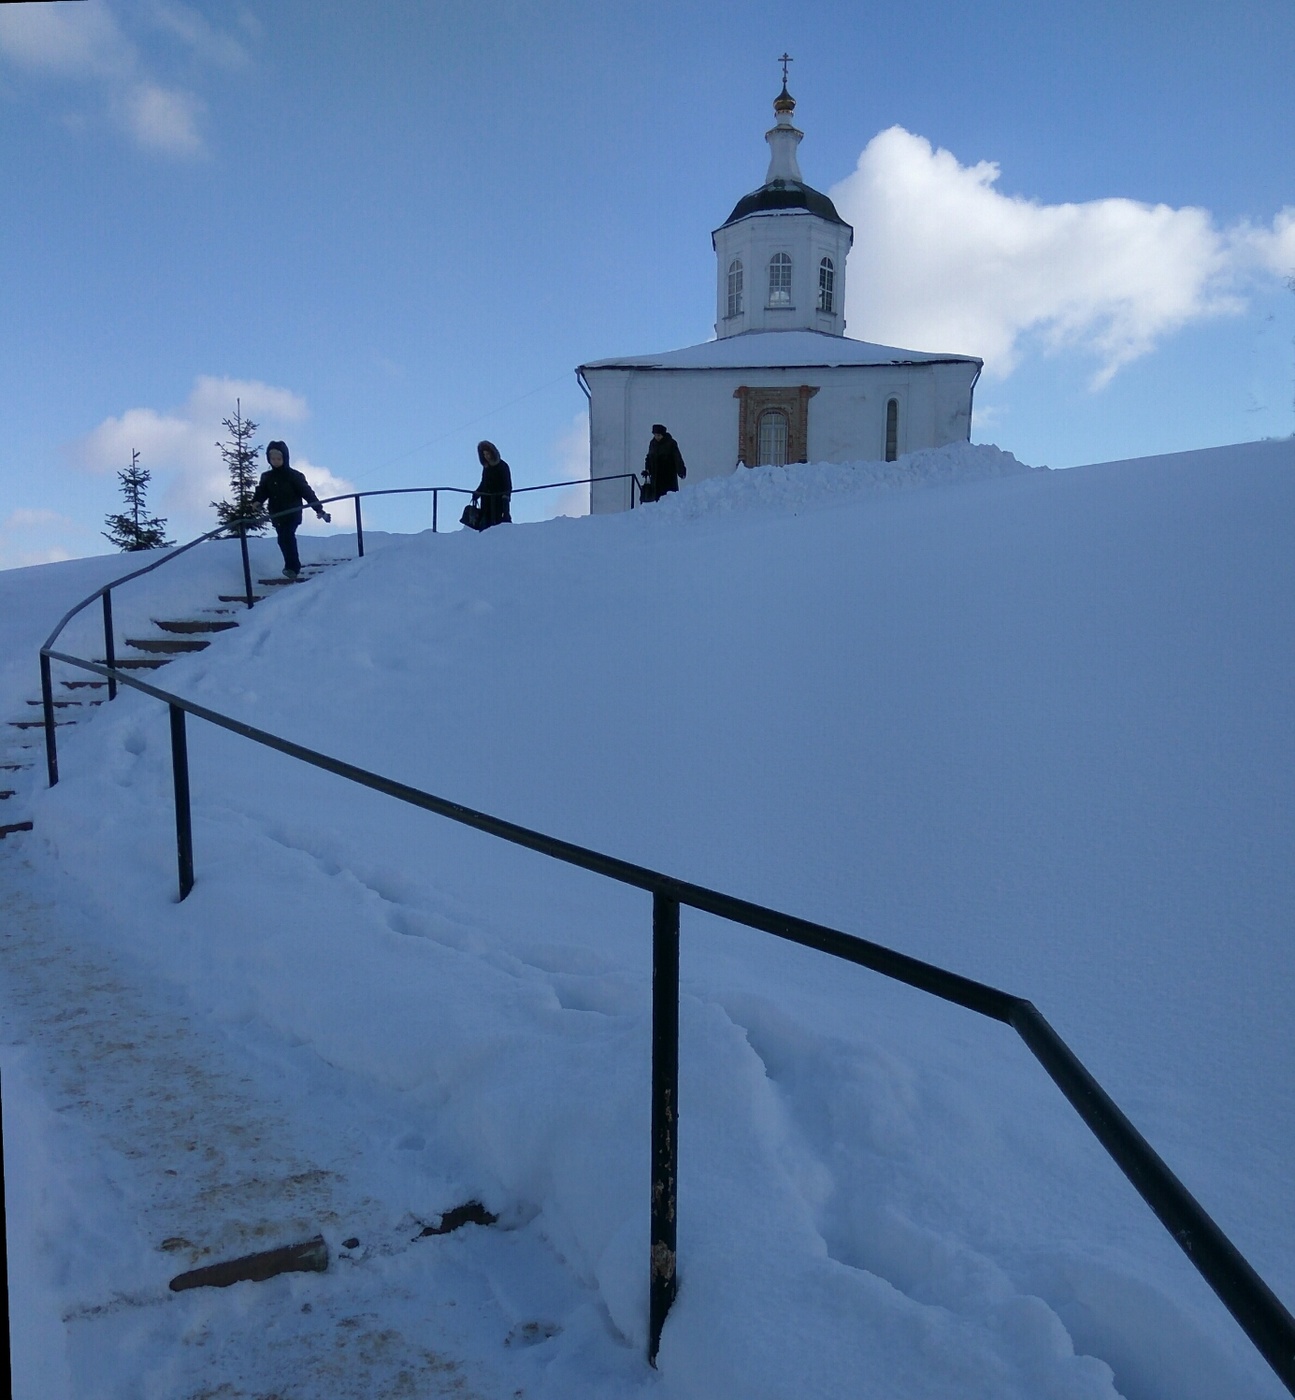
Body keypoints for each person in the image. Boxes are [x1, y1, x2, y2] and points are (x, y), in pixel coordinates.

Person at [253, 440, 330, 578]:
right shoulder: (267, 477)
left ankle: (292, 567)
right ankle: (291, 566)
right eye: (272, 459)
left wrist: (318, 509)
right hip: (276, 514)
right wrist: (257, 502)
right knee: (282, 539)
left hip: (292, 513)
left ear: (285, 458)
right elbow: (262, 492)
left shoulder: (294, 476)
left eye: (278, 458)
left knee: (287, 536)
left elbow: (307, 493)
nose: (275, 461)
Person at [472, 440, 512, 529]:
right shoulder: (486, 468)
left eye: (488, 454)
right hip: (486, 501)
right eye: (484, 455)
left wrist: (505, 499)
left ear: (493, 453)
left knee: (498, 525)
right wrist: (477, 493)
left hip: (498, 501)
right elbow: (484, 483)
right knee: (485, 525)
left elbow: (507, 485)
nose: (486, 457)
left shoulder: (503, 466)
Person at [643, 424, 686, 502]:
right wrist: (647, 469)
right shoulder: (653, 443)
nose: (657, 437)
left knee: (669, 498)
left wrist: (681, 471)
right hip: (656, 477)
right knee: (657, 498)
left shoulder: (671, 443)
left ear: (663, 435)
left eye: (659, 435)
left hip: (668, 476)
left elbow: (677, 458)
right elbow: (649, 458)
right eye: (655, 435)